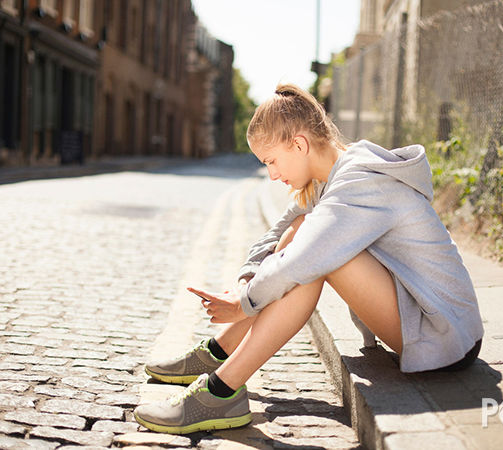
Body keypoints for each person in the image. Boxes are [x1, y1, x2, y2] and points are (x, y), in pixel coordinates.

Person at [133, 84, 484, 434]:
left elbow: (301, 260)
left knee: (311, 261)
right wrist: (247, 281)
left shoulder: (361, 179)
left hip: (444, 334)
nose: (271, 174)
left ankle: (219, 392)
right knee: (302, 231)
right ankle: (220, 351)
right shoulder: (324, 180)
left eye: (271, 161)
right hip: (419, 317)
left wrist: (244, 304)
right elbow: (277, 233)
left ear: (299, 145)